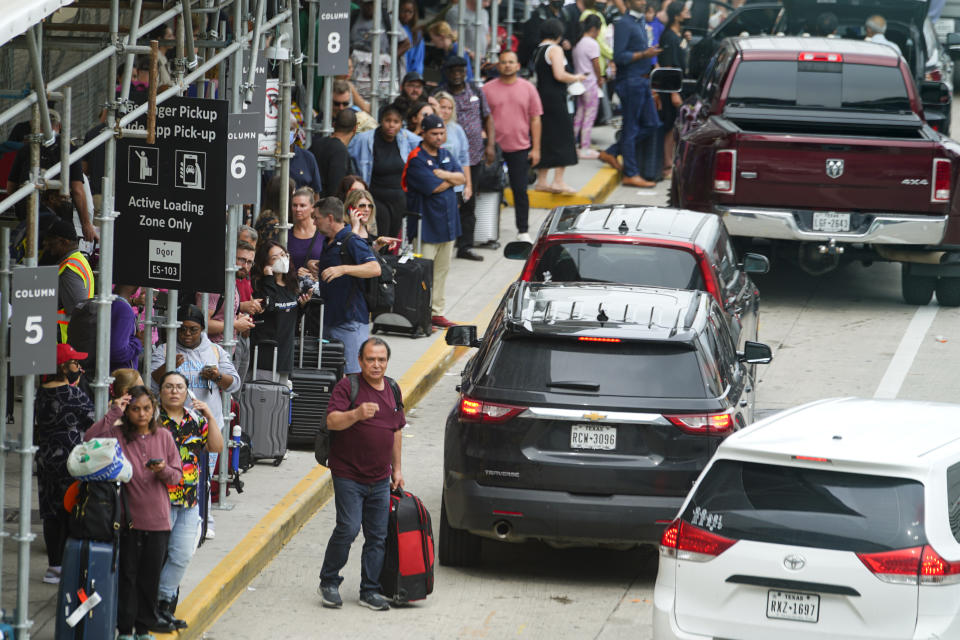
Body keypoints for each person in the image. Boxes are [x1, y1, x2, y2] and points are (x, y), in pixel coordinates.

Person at [85, 386, 182, 640]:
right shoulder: (117, 435)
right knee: (127, 577)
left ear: (154, 410)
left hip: (159, 521)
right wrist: (114, 410)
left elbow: (177, 477)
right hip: (127, 521)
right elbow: (89, 440)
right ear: (128, 412)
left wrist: (162, 470)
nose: (141, 414)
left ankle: (142, 630)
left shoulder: (164, 436)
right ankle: (125, 631)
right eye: (135, 409)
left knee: (149, 580)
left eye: (147, 409)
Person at [318, 337, 405, 612]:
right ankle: (329, 581)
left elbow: (397, 429)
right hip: (348, 473)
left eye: (381, 359)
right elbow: (332, 420)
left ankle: (370, 590)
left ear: (387, 362)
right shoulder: (348, 386)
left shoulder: (392, 388)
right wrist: (356, 414)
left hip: (380, 477)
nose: (376, 365)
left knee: (377, 536)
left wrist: (398, 469)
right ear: (360, 361)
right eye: (370, 359)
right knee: (348, 528)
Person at [155, 371, 222, 630]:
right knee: (157, 555)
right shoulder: (152, 420)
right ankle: (154, 607)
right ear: (160, 392)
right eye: (169, 387)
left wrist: (210, 417)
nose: (174, 391)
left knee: (182, 554)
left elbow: (215, 447)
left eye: (179, 387)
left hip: (189, 499)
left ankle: (163, 603)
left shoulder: (195, 419)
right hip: (158, 497)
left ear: (187, 392)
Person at [35, 343, 95, 585]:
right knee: (71, 508)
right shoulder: (74, 395)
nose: (78, 367)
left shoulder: (39, 393)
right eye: (74, 362)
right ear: (63, 366)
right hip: (71, 459)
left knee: (50, 511)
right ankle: (70, 565)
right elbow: (92, 423)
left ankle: (54, 566)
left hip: (46, 457)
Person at [402, 114, 466, 329]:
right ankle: (420, 313)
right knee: (423, 274)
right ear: (424, 133)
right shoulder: (417, 158)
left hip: (448, 226)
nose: (439, 137)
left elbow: (462, 178)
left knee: (442, 271)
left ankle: (436, 312)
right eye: (434, 134)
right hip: (426, 227)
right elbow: (434, 187)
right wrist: (450, 178)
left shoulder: (446, 154)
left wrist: (443, 175)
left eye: (441, 133)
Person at [311, 197, 382, 374]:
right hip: (330, 319)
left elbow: (374, 268)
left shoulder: (352, 241)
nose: (314, 222)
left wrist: (342, 269)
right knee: (333, 375)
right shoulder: (329, 242)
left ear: (329, 218)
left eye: (316, 218)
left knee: (354, 375)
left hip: (350, 321)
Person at [7, 109, 98, 242]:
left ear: (36, 126)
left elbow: (11, 188)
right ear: (60, 126)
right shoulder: (69, 149)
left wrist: (22, 210)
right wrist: (86, 224)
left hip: (29, 216)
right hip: (58, 220)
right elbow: (78, 190)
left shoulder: (25, 149)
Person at [482, 51, 543, 243]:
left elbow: (535, 119)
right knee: (489, 189)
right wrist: (485, 142)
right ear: (497, 66)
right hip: (493, 147)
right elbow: (481, 119)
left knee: (520, 189)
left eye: (511, 62)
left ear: (518, 66)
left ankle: (523, 230)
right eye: (503, 62)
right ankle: (487, 231)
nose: (507, 65)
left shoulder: (528, 88)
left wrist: (536, 149)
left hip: (519, 147)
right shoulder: (487, 89)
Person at [439, 55, 493, 261]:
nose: (457, 75)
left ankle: (465, 246)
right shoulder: (439, 93)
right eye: (453, 71)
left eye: (460, 71)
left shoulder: (476, 91)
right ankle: (445, 243)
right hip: (445, 159)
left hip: (472, 157)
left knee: (468, 201)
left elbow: (487, 118)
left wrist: (490, 146)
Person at [603, 0, 661, 188]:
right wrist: (644, 55)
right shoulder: (623, 24)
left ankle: (612, 151)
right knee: (631, 127)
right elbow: (619, 57)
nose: (643, 2)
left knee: (652, 124)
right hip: (630, 81)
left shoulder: (640, 23)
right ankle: (631, 173)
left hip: (643, 80)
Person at [348, 104, 421, 240]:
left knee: (393, 237)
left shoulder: (405, 139)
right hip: (376, 197)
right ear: (381, 121)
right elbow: (349, 156)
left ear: (401, 124)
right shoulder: (365, 139)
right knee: (381, 234)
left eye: (396, 122)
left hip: (398, 198)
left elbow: (424, 144)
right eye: (388, 120)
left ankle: (387, 261)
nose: (391, 125)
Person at [532, 19, 586, 195]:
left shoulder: (538, 50)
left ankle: (541, 180)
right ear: (558, 34)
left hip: (541, 98)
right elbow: (559, 74)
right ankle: (558, 180)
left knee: (546, 137)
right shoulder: (555, 49)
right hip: (556, 99)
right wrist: (577, 77)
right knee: (563, 136)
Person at [250, 240, 312, 384]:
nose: (281, 259)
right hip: (264, 353)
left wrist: (303, 305)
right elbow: (268, 306)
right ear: (265, 262)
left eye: (283, 255)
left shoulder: (292, 284)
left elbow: (293, 318)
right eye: (275, 257)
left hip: (285, 353)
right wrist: (269, 277)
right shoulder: (260, 284)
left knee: (281, 398)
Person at [44, 218, 95, 343]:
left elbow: (77, 310)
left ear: (64, 242)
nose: (46, 245)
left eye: (51, 242)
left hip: (66, 341)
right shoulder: (78, 260)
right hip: (70, 340)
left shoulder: (69, 268)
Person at [657, 1, 689, 180]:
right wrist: (674, 92)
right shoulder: (669, 36)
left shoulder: (678, 35)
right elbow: (668, 66)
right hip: (671, 88)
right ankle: (666, 166)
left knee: (675, 127)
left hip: (679, 85)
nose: (688, 14)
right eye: (685, 11)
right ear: (677, 15)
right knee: (668, 127)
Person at [434, 90, 473, 211]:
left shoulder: (457, 129)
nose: (446, 111)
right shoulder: (428, 128)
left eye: (450, 108)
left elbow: (464, 159)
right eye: (443, 107)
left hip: (455, 185)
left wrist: (468, 185)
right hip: (434, 183)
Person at [573, 15, 604, 159]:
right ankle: (584, 147)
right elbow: (596, 64)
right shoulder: (592, 43)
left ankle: (573, 145)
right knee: (589, 116)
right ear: (594, 29)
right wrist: (600, 78)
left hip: (579, 84)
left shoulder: (578, 43)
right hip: (591, 83)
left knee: (579, 115)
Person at [311, 109, 358, 199]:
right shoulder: (341, 152)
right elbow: (336, 189)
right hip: (328, 207)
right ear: (355, 129)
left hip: (311, 203)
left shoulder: (316, 144)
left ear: (334, 125)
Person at [446, 0, 491, 70]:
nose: (487, 5)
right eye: (485, 1)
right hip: (463, 63)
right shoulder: (456, 12)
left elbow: (486, 35)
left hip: (480, 63)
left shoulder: (484, 12)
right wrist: (470, 53)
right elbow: (451, 40)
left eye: (489, 1)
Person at [287, 186, 323, 273]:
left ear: (312, 208)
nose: (298, 209)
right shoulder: (286, 234)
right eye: (295, 205)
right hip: (294, 284)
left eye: (302, 205)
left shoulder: (323, 232)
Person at [399, 0, 425, 75]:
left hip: (408, 76)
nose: (406, 14)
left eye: (410, 12)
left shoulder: (416, 34)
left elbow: (418, 61)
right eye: (404, 11)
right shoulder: (393, 28)